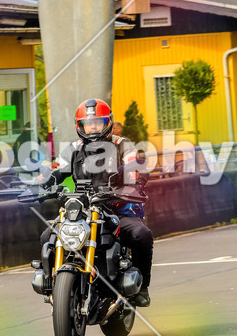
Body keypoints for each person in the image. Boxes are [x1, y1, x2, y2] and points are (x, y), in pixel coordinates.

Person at [39, 98, 153, 306]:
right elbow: (57, 167)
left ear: (107, 123)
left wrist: (133, 176)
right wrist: (44, 179)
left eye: (97, 123)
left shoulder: (121, 144)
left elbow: (133, 164)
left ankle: (142, 287)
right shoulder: (73, 148)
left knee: (141, 234)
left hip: (116, 207)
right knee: (47, 236)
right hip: (82, 209)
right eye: (88, 124)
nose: (92, 128)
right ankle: (52, 283)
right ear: (80, 126)